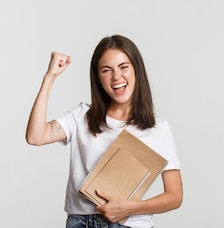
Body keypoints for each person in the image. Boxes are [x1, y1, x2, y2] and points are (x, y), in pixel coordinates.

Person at [26, 34, 183, 228]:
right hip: (80, 222)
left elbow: (174, 196)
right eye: (106, 70)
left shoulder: (157, 128)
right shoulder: (83, 116)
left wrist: (128, 208)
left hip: (131, 224)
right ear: (98, 77)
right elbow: (35, 136)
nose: (117, 76)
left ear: (136, 70)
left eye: (123, 67)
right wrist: (50, 78)